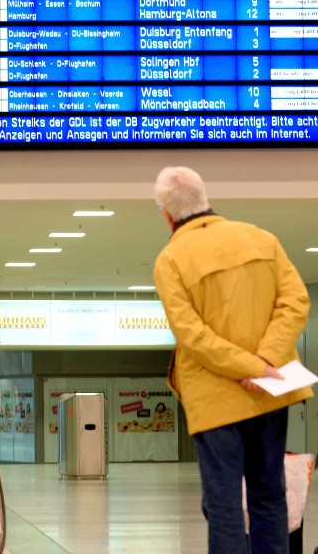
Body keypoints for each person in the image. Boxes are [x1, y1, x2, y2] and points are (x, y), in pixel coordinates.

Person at [152, 166, 312, 554]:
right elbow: (295, 302)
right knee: (268, 494)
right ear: (206, 198)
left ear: (167, 214)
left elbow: (192, 336)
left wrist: (249, 367)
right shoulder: (262, 239)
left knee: (223, 503)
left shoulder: (171, 260)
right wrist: (266, 362)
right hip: (270, 390)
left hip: (214, 398)